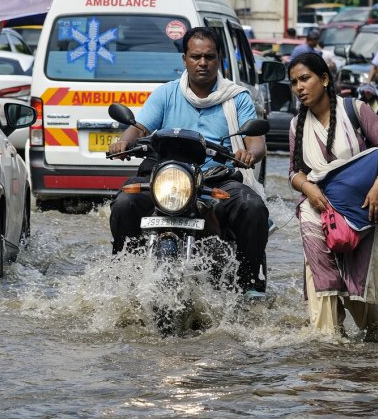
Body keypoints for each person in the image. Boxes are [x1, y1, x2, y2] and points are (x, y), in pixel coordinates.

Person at [108, 26, 269, 294]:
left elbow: (256, 143)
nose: (202, 63)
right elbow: (139, 127)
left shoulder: (236, 97)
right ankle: (125, 271)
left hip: (216, 179)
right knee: (125, 202)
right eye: (196, 57)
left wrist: (249, 153)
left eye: (209, 56)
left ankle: (250, 282)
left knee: (252, 207)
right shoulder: (166, 94)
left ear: (220, 60)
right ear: (184, 59)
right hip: (166, 179)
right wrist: (124, 142)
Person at [286, 52, 378, 336]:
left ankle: (371, 344)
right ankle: (328, 345)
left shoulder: (356, 111)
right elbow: (293, 172)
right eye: (293, 83)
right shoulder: (295, 126)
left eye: (305, 79)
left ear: (324, 79)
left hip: (361, 210)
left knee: (368, 312)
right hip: (317, 209)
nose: (299, 87)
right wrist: (308, 187)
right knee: (320, 278)